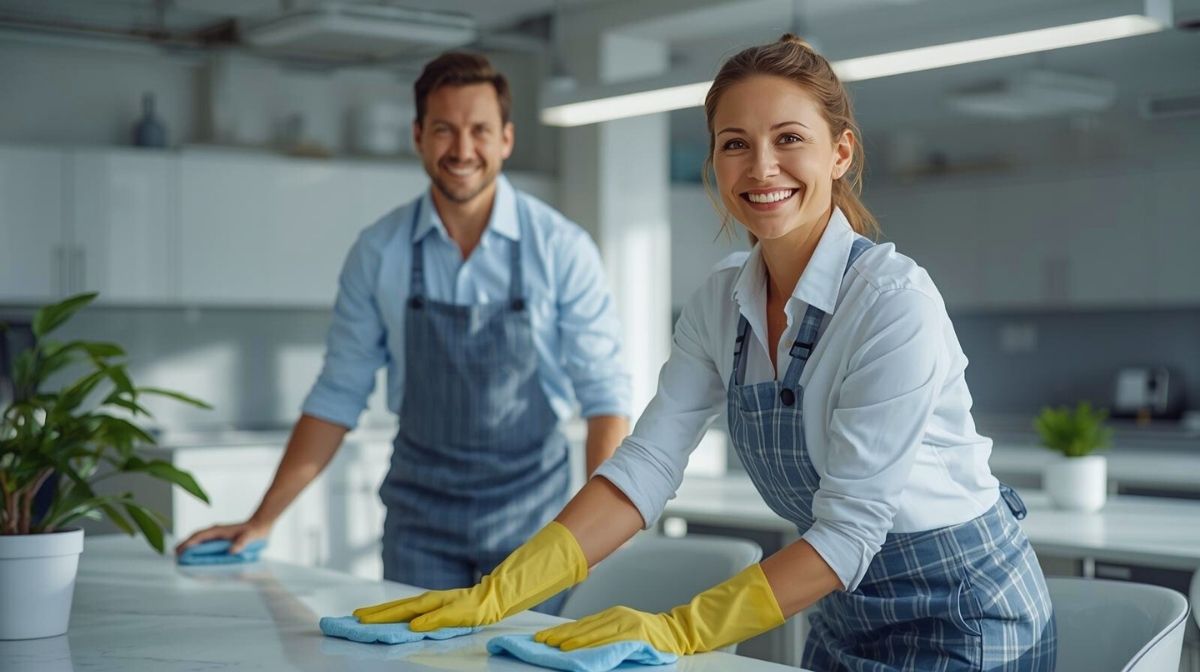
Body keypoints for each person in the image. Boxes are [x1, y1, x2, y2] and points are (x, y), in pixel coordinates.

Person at [351, 35, 1058, 670]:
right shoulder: (722, 303)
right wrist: (497, 594)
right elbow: (646, 466)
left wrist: (684, 630)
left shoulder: (891, 300)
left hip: (968, 620)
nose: (761, 166)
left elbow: (850, 530)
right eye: (735, 143)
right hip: (844, 614)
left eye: (789, 139)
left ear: (839, 153)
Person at [176, 52, 631, 614]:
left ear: (507, 139)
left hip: (535, 528)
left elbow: (605, 400)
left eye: (480, 131)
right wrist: (262, 519)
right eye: (444, 130)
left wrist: (595, 537)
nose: (462, 150)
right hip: (420, 530)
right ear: (418, 136)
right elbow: (337, 396)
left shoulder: (561, 249)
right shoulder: (379, 252)